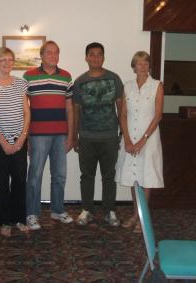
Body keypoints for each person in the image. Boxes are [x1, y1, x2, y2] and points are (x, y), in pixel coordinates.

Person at [0, 47, 30, 237]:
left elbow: (27, 112)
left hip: (19, 141)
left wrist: (22, 138)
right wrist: (4, 143)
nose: (7, 63)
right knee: (0, 182)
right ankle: (4, 221)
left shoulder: (21, 84)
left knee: (19, 182)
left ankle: (19, 218)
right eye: (3, 60)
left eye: (10, 59)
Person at [25, 40, 74, 231]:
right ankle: (32, 213)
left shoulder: (66, 77)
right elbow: (24, 109)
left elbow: (70, 108)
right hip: (37, 135)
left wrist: (71, 135)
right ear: (42, 55)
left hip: (60, 134)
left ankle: (57, 210)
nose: (53, 56)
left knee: (60, 175)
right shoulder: (28, 77)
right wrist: (27, 136)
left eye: (56, 52)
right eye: (49, 52)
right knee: (35, 175)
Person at [73, 42, 123, 227]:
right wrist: (74, 136)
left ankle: (110, 211)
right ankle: (87, 210)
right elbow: (75, 111)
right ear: (86, 57)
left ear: (103, 57)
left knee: (109, 176)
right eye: (92, 54)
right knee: (86, 175)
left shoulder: (114, 79)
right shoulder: (79, 82)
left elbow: (121, 107)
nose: (95, 57)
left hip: (109, 136)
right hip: (86, 137)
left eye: (99, 54)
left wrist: (123, 132)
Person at [115, 51, 164, 233]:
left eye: (145, 63)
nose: (142, 67)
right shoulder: (127, 86)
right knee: (133, 177)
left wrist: (142, 141)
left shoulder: (157, 86)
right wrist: (127, 139)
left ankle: (140, 218)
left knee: (145, 178)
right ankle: (136, 214)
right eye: (138, 64)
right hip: (130, 139)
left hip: (148, 140)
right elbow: (124, 114)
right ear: (133, 67)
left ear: (149, 66)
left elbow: (158, 116)